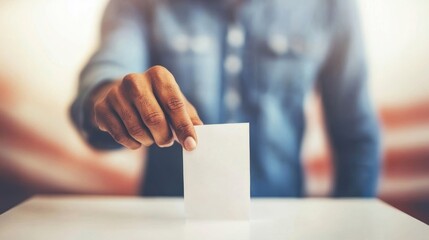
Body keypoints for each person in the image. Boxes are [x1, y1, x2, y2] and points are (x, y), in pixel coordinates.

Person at [71, 0, 380, 197]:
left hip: (285, 223)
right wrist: (110, 99)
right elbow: (107, 73)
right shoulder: (141, 4)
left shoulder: (332, 6)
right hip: (166, 225)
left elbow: (357, 136)